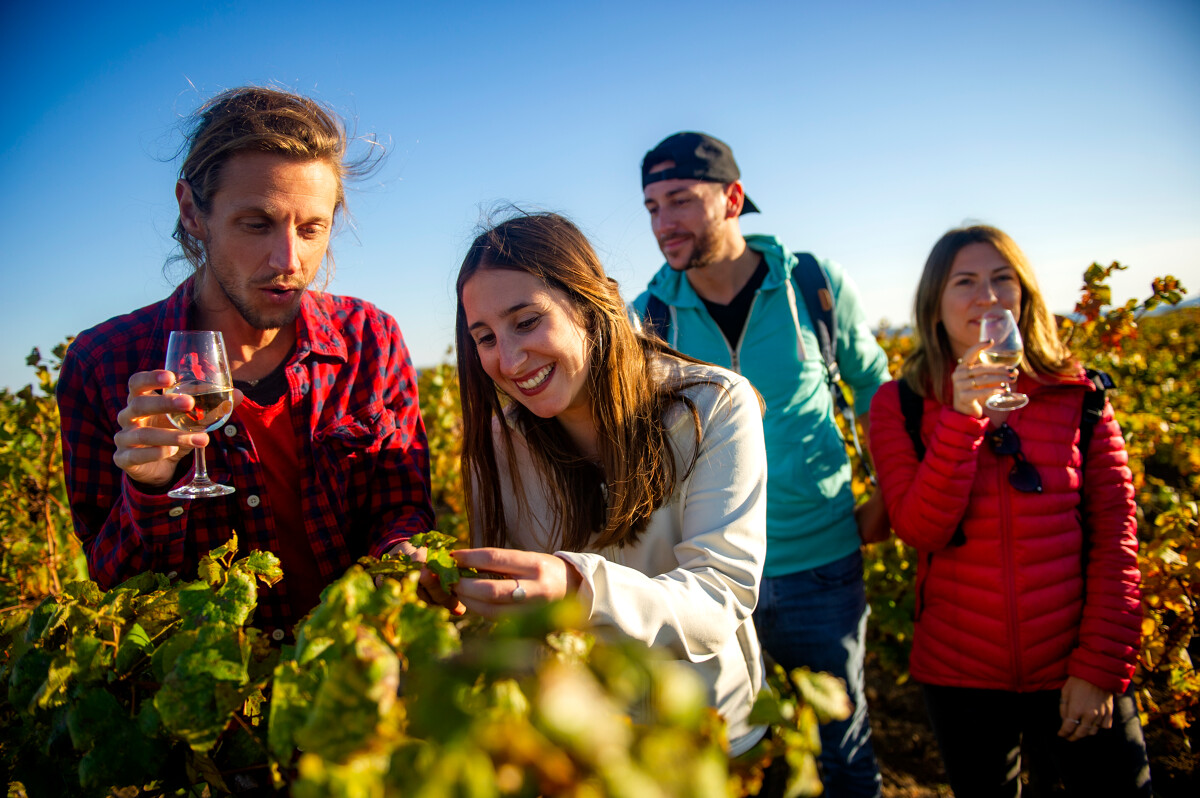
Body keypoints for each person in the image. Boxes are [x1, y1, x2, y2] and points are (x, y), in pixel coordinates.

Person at [56, 87, 434, 636]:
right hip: (212, 709)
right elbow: (114, 589)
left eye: (312, 229)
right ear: (192, 211)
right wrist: (152, 488)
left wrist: (403, 557)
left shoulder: (369, 339)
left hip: (354, 679)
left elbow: (400, 507)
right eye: (256, 224)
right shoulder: (104, 365)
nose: (289, 260)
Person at [429, 211, 769, 758]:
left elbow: (719, 595)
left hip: (709, 740)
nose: (509, 359)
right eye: (485, 337)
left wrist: (578, 587)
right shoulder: (499, 445)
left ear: (590, 305)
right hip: (583, 750)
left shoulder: (713, 406)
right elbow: (518, 622)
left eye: (526, 321)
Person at [631, 131, 889, 795]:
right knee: (744, 759)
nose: (664, 223)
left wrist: (888, 493)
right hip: (708, 581)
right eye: (653, 207)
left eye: (680, 201)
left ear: (732, 199)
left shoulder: (815, 286)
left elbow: (877, 390)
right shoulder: (646, 319)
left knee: (843, 751)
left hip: (820, 566)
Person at [868, 225, 1151, 796]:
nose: (988, 297)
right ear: (935, 302)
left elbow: (1117, 538)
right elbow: (921, 529)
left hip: (1076, 669)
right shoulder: (899, 402)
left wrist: (1099, 668)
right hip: (959, 678)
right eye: (965, 281)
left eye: (1002, 280)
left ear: (1024, 293)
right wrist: (963, 419)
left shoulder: (1079, 395)